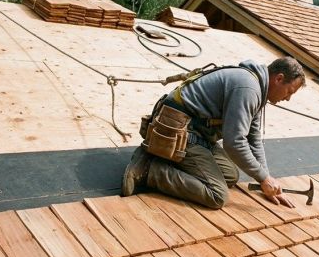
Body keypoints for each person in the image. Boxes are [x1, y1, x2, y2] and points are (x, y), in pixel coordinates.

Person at [121, 57, 305, 209]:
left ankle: (163, 158)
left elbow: (253, 138)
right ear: (279, 79)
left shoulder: (257, 87)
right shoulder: (248, 88)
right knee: (217, 195)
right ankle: (150, 171)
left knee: (231, 175)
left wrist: (267, 179)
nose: (287, 98)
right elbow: (234, 143)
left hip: (198, 133)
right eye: (289, 91)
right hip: (177, 129)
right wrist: (263, 178)